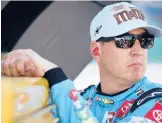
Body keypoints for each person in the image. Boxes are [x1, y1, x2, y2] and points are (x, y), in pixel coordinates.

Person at [2, 2, 162, 123]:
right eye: (125, 41)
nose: (138, 50)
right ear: (96, 51)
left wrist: (53, 73)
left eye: (145, 41)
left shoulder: (157, 101)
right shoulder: (82, 98)